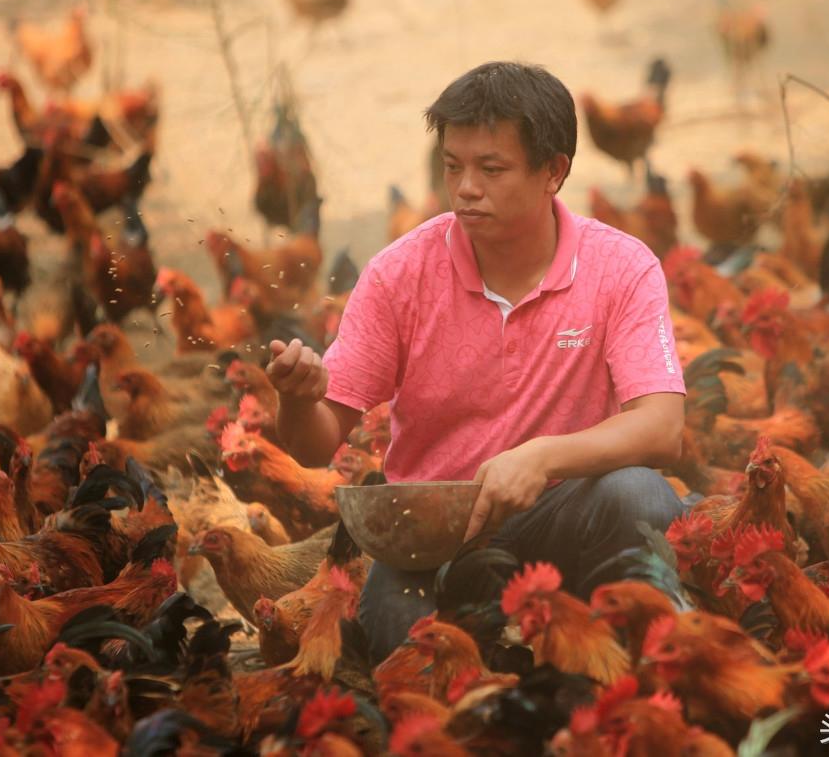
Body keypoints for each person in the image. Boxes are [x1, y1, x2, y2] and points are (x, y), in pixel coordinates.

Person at [266, 61, 686, 663]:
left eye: (491, 169)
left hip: (568, 512)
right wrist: (297, 397)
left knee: (640, 497)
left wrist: (541, 457)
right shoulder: (399, 274)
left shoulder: (621, 267)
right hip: (437, 532)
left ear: (553, 172)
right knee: (402, 652)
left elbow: (662, 427)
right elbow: (314, 446)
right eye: (453, 166)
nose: (465, 187)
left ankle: (632, 670)